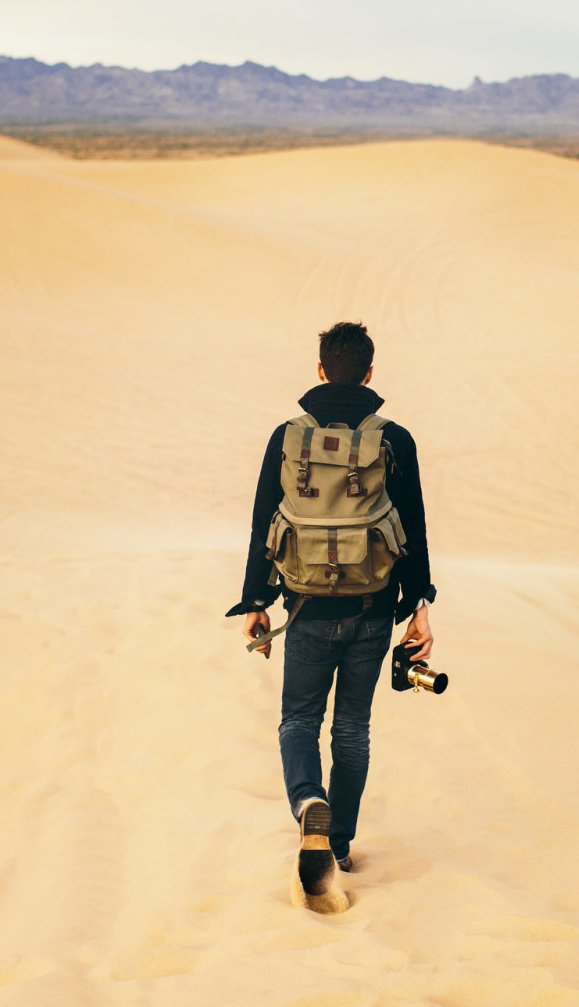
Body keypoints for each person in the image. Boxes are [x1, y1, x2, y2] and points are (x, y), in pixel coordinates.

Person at [225, 321, 436, 895]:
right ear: (370, 373)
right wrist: (419, 608)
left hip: (308, 607)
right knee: (352, 729)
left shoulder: (287, 436)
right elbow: (413, 528)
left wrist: (256, 601)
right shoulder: (394, 438)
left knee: (298, 720)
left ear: (320, 370)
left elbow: (262, 521)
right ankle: (337, 845)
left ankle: (307, 803)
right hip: (372, 609)